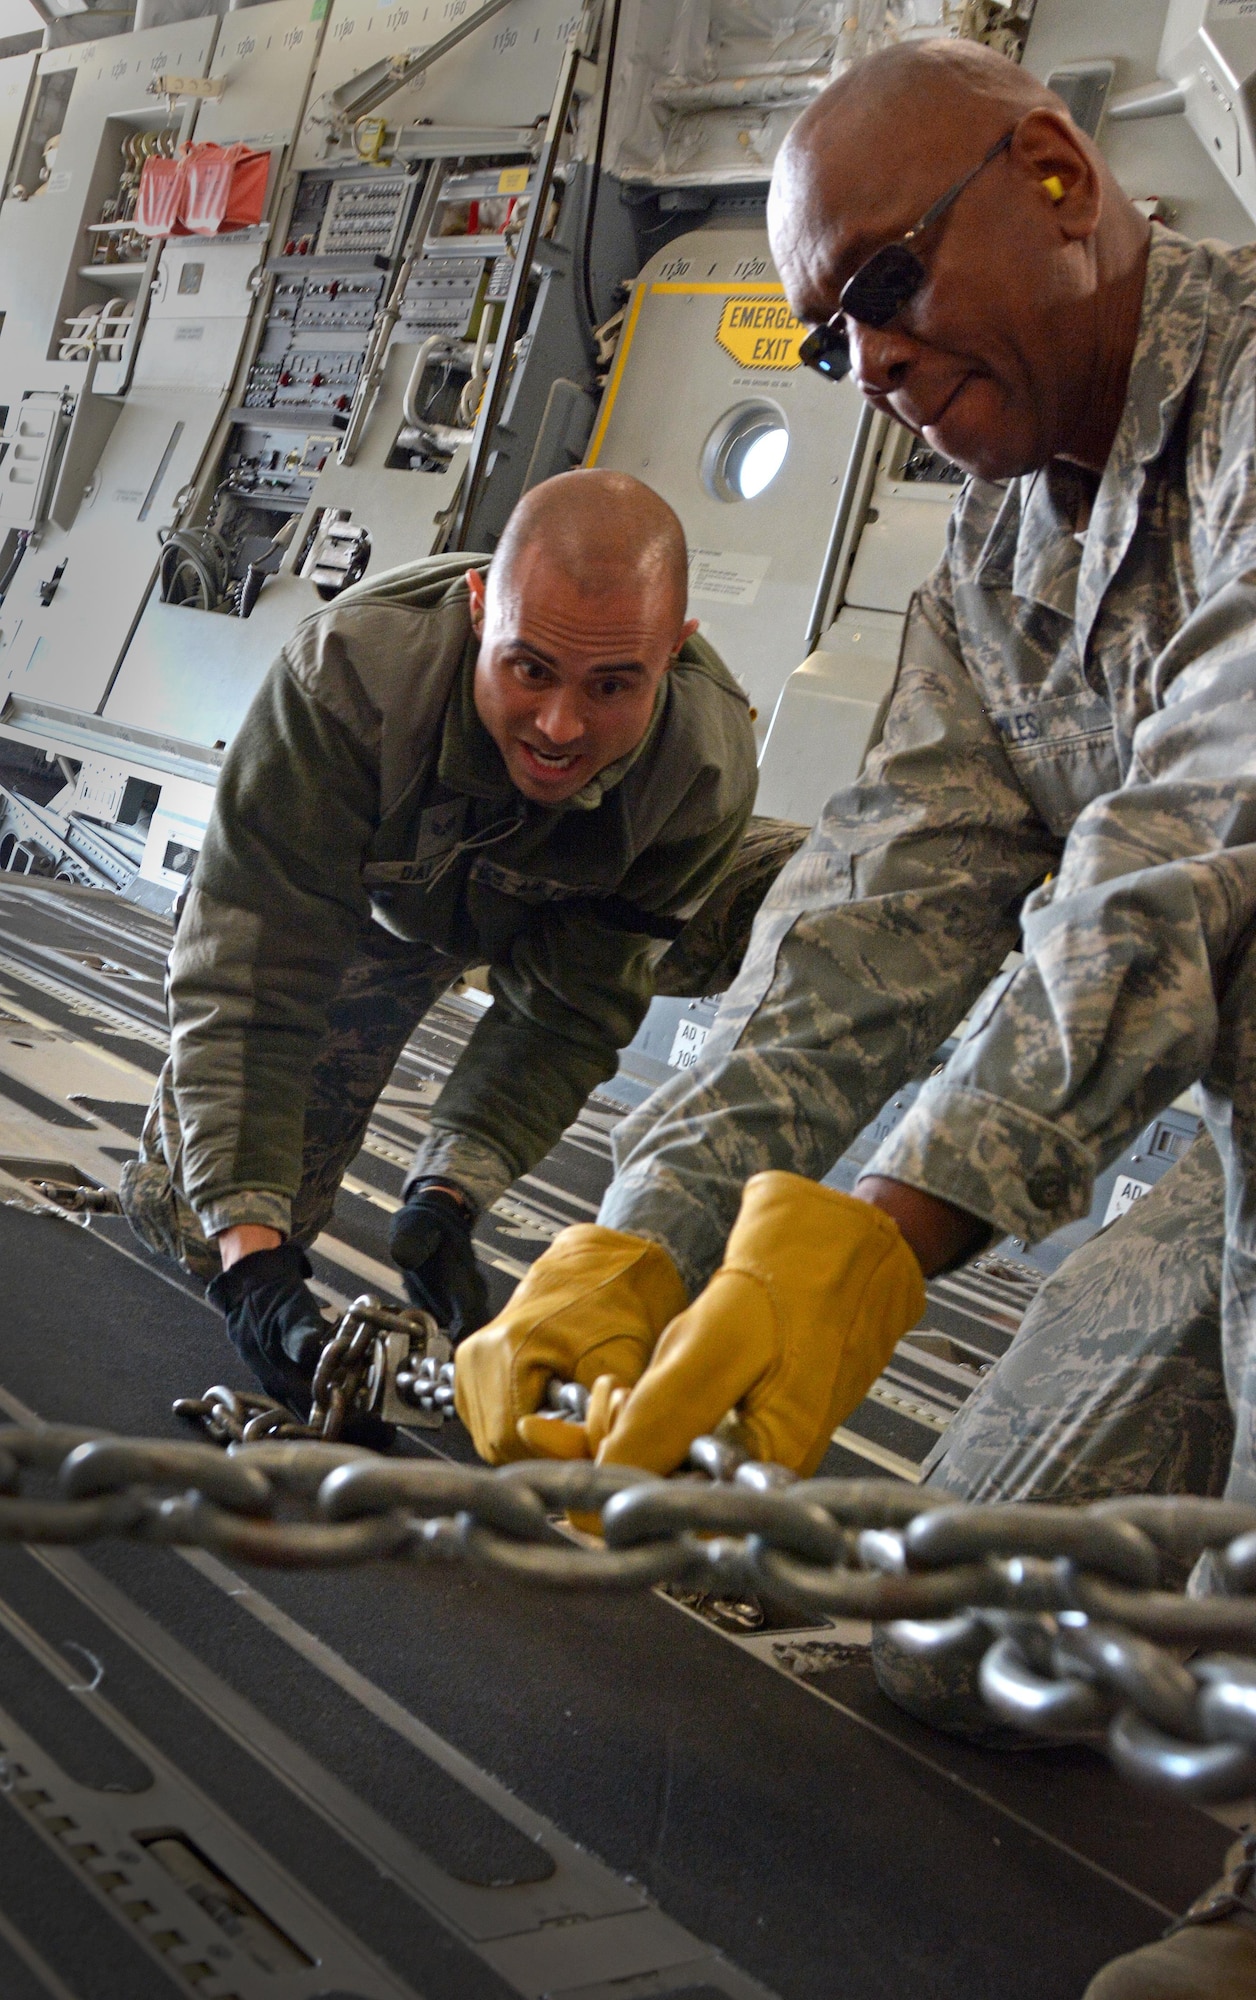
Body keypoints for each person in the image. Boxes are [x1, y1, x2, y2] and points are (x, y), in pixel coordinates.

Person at [453, 42, 1256, 1994]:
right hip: (1210, 1121)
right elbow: (877, 905)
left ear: (1057, 178)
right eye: (829, 343)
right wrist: (644, 1218)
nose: (869, 366)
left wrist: (887, 1229)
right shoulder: (1000, 552)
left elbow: (1183, 846)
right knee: (952, 1627)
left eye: (883, 286)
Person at [121, 468, 779, 1423]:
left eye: (612, 685)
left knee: (832, 891)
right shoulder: (349, 683)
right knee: (205, 1220)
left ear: (673, 656)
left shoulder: (703, 769)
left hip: (563, 914)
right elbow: (255, 971)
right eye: (531, 669)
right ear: (479, 610)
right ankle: (184, 1191)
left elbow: (569, 1011)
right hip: (376, 913)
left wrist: (450, 1195)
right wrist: (253, 1266)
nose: (561, 725)